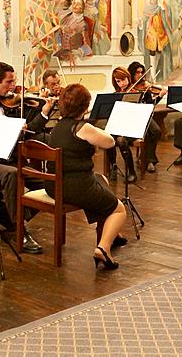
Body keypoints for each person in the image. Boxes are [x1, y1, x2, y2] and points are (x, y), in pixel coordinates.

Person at [0, 62, 56, 254]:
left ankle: (4, 216)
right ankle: (18, 229)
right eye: (9, 81)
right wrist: (10, 126)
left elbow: (27, 132)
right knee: (13, 175)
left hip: (9, 159)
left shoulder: (8, 101)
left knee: (48, 184)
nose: (13, 86)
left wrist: (44, 112)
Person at [47, 84, 127, 270]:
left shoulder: (57, 127)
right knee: (119, 209)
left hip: (54, 184)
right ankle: (103, 248)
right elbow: (110, 142)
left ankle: (112, 234)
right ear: (84, 107)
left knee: (101, 180)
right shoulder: (83, 127)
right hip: (75, 187)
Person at [126, 62, 164, 172]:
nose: (140, 75)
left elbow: (150, 105)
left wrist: (160, 96)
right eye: (137, 72)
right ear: (131, 73)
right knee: (147, 133)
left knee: (156, 131)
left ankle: (145, 157)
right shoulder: (128, 87)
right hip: (132, 118)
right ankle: (150, 161)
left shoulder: (146, 87)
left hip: (144, 115)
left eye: (142, 72)